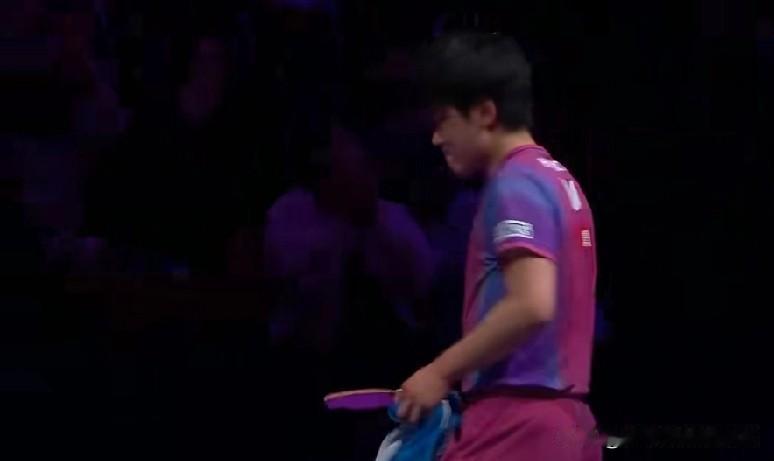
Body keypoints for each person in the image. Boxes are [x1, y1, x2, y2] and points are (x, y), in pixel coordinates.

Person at [395, 33, 602, 460]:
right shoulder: (557, 179)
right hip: (566, 425)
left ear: (485, 113)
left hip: (516, 425)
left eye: (444, 120)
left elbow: (532, 304)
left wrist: (439, 373)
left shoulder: (515, 184)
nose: (436, 138)